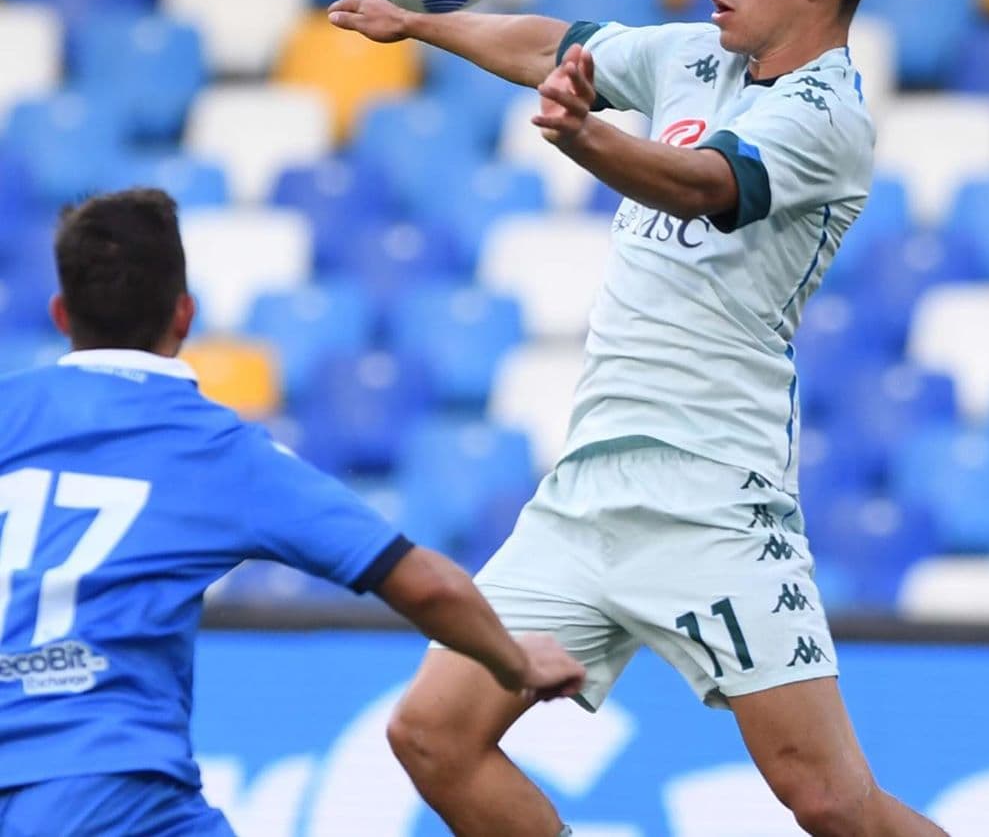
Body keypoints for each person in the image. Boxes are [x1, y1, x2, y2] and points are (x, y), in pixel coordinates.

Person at [328, 0, 948, 836]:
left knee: (827, 798)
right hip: (584, 494)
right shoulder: (690, 58)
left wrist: (580, 135)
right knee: (433, 734)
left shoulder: (828, 118)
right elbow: (552, 43)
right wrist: (420, 24)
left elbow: (702, 182)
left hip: (715, 493)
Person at [0, 187, 585, 837]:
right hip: (108, 787)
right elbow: (422, 582)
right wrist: (515, 662)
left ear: (59, 313)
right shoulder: (213, 449)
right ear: (185, 313)